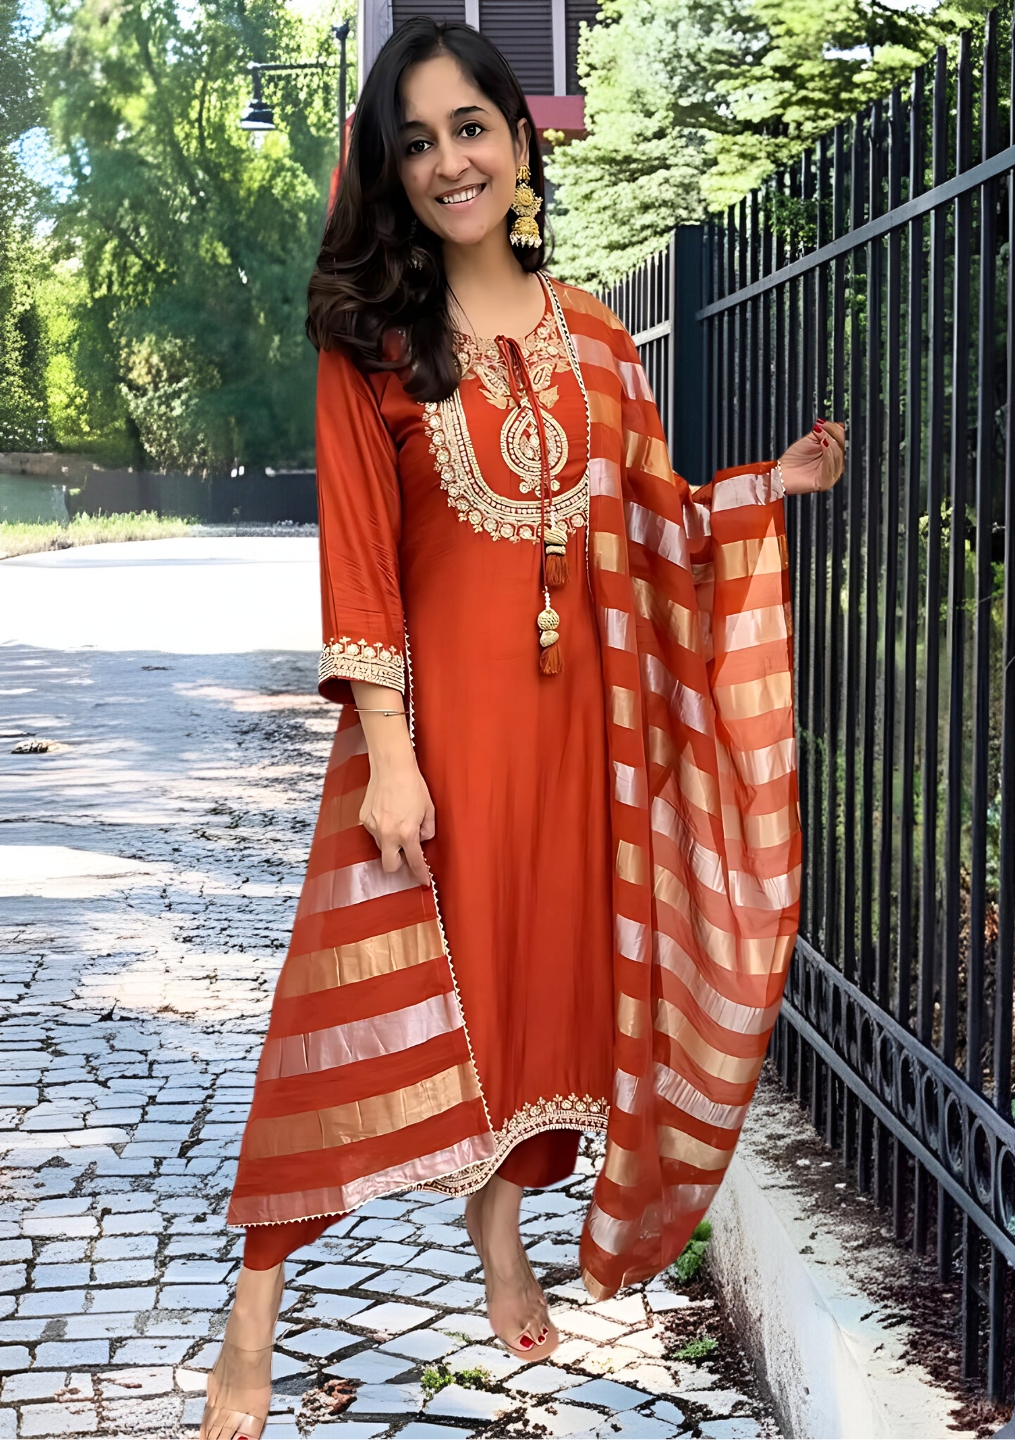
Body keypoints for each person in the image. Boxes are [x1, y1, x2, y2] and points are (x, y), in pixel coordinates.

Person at [200, 16, 845, 1440]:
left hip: (572, 743)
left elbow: (653, 524)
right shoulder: (372, 339)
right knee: (338, 1014)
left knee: (537, 1005)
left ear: (517, 142)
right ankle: (251, 1313)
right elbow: (361, 563)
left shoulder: (598, 338)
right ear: (392, 169)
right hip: (433, 741)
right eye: (417, 142)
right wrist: (390, 755)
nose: (450, 162)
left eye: (471, 129)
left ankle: (499, 1237)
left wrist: (765, 492)